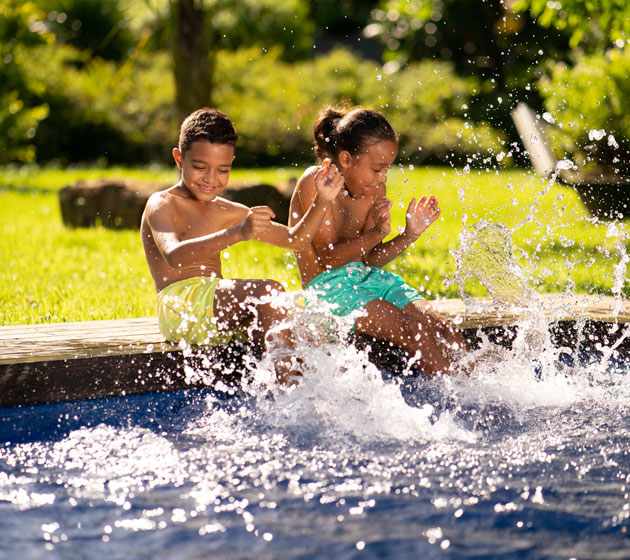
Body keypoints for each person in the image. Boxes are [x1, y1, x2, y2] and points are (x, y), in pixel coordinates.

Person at [141, 107, 344, 383]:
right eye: (200, 167)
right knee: (269, 290)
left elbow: (294, 240)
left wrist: (323, 199)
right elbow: (174, 255)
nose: (211, 179)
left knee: (302, 317)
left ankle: (309, 391)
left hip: (214, 310)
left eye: (223, 170)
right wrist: (238, 233)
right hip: (178, 306)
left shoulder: (226, 210)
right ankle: (291, 394)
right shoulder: (163, 203)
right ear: (179, 159)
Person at [289, 105, 469, 376]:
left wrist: (409, 234)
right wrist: (376, 234)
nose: (383, 177)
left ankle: (482, 390)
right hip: (328, 291)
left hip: (368, 279)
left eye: (387, 168)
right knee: (412, 331)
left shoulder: (373, 189)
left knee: (443, 329)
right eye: (377, 169)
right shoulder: (315, 182)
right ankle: (461, 396)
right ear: (347, 160)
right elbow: (329, 259)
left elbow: (369, 260)